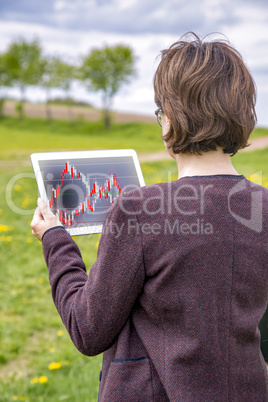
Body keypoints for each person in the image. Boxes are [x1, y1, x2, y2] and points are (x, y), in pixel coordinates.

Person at [31, 33, 268, 401]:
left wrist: (55, 239)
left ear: (170, 118)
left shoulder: (140, 210)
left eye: (161, 112)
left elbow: (87, 330)